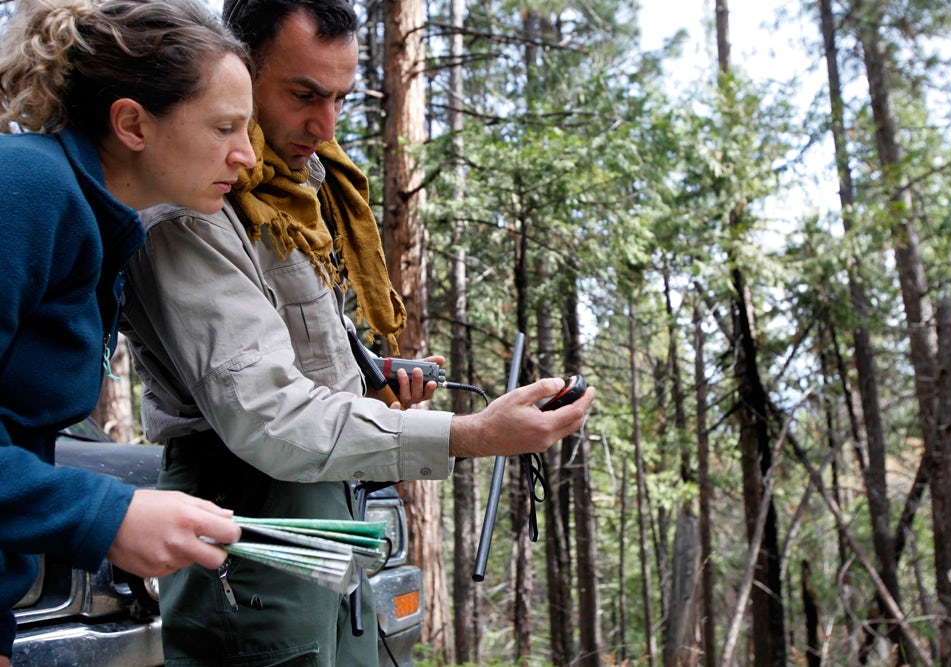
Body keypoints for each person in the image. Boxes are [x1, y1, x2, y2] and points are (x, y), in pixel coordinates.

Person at [119, 0, 596, 664]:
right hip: (249, 533)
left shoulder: (288, 195)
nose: (326, 124)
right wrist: (471, 434)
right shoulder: (187, 215)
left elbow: (291, 360)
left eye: (341, 97)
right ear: (235, 70)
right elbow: (267, 415)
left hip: (324, 518)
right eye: (304, 94)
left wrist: (367, 376)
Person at [0, 0, 257, 662]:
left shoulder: (97, 221)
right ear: (132, 123)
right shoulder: (23, 189)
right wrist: (105, 514)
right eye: (225, 126)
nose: (248, 155)